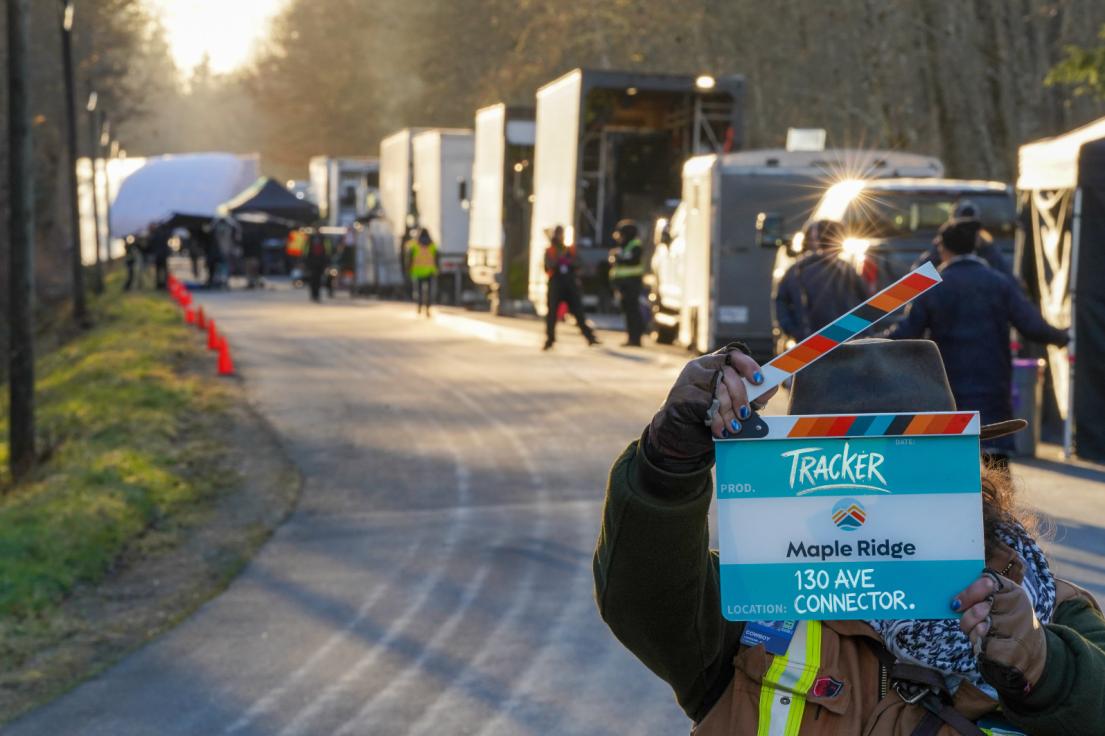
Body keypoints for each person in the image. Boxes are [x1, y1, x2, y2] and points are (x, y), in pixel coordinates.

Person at [594, 338, 1105, 735]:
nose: (875, 494)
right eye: (845, 465)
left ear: (964, 472)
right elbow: (643, 596)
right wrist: (669, 458)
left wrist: (1044, 664)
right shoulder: (761, 601)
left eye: (911, 462)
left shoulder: (1048, 608)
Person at [887, 219, 1069, 463]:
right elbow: (1031, 325)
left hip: (950, 389)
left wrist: (866, 342)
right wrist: (1064, 336)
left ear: (942, 248)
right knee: (996, 464)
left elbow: (906, 333)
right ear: (976, 246)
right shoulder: (999, 283)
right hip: (994, 386)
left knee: (956, 463)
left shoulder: (934, 288)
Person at [775, 220, 870, 343]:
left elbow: (781, 302)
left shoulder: (796, 271)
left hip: (810, 344)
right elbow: (865, 303)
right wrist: (856, 332)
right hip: (844, 342)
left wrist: (794, 331)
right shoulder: (846, 270)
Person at [914, 200, 1011, 275]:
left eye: (969, 228)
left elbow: (906, 292)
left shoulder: (989, 252)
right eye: (961, 228)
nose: (965, 233)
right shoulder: (996, 278)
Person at [543, 225, 599, 350]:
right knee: (552, 313)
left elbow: (579, 263)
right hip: (556, 283)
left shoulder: (570, 249)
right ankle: (550, 339)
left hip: (570, 283)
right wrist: (558, 261)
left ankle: (589, 337)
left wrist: (569, 261)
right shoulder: (550, 250)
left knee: (578, 312)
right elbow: (547, 266)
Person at [609, 219, 646, 347]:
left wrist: (618, 256)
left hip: (632, 284)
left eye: (621, 234)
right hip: (624, 284)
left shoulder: (635, 245)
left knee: (632, 311)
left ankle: (635, 339)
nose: (619, 237)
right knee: (627, 311)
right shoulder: (624, 246)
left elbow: (630, 259)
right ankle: (631, 338)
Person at [406, 227, 439, 316]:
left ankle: (419, 307)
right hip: (430, 271)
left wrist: (408, 268)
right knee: (429, 291)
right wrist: (437, 269)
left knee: (419, 291)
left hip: (418, 271)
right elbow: (436, 258)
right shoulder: (432, 245)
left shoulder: (415, 245)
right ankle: (428, 308)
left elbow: (410, 258)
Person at [304, 232, 329, 303]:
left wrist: (326, 261)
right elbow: (306, 250)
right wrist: (305, 261)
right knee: (313, 279)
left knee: (317, 280)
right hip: (312, 263)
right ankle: (313, 294)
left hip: (320, 263)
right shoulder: (310, 239)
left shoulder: (324, 239)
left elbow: (327, 251)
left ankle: (316, 295)